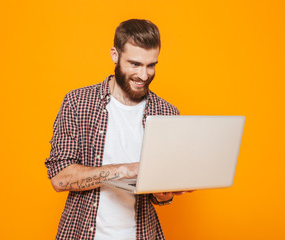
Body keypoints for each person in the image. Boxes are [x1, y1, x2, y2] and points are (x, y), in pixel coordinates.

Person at [45, 19, 184, 240]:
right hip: (82, 234)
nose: (144, 75)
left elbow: (162, 196)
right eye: (135, 64)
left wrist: (164, 192)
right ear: (115, 55)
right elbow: (59, 179)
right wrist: (126, 170)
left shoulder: (167, 113)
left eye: (151, 65)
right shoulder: (77, 103)